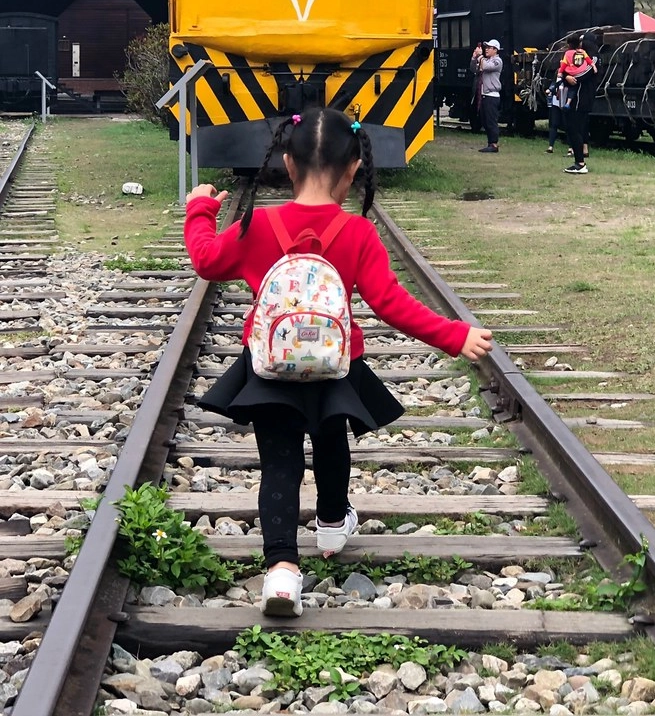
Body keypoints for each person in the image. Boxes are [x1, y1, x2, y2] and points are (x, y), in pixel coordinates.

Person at [184, 108, 494, 617]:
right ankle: (331, 523)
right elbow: (391, 303)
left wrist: (200, 210)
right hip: (335, 366)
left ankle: (282, 573)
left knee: (279, 465)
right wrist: (454, 335)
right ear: (353, 171)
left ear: (286, 162)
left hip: (270, 367)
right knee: (331, 442)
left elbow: (205, 260)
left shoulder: (256, 224)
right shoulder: (357, 233)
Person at [563, 30, 599, 174]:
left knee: (576, 128)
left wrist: (568, 75)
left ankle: (580, 163)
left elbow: (581, 74)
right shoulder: (581, 57)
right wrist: (566, 75)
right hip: (576, 97)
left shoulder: (594, 58)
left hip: (582, 98)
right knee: (572, 128)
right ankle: (578, 161)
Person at [470, 39, 503, 153]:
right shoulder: (484, 60)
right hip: (484, 94)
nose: (486, 49)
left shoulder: (497, 61)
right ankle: (490, 143)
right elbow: (474, 69)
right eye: (486, 47)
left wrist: (479, 57)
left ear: (495, 50)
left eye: (489, 47)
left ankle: (494, 144)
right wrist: (474, 58)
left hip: (492, 95)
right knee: (484, 120)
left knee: (491, 120)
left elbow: (486, 67)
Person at [545, 75, 565, 153]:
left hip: (565, 102)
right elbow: (554, 84)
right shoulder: (557, 75)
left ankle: (571, 148)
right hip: (556, 102)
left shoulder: (569, 73)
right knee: (553, 124)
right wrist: (550, 89)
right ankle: (550, 146)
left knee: (568, 125)